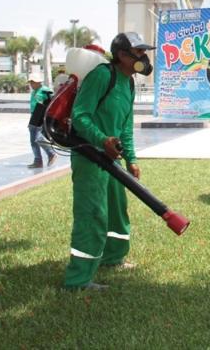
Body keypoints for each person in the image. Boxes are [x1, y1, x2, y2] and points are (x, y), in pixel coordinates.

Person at [63, 32, 152, 291]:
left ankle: (113, 258)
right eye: (139, 53)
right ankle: (78, 279)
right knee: (92, 215)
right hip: (90, 157)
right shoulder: (103, 75)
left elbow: (125, 125)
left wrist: (131, 158)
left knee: (116, 209)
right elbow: (80, 116)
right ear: (123, 55)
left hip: (111, 158)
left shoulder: (129, 82)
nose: (144, 58)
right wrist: (102, 140)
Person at [27, 72, 56, 169]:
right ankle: (38, 161)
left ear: (39, 82)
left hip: (41, 116)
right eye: (30, 82)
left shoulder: (45, 91)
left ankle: (51, 154)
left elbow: (53, 102)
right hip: (34, 116)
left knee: (38, 138)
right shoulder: (34, 91)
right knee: (33, 140)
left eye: (33, 82)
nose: (31, 84)